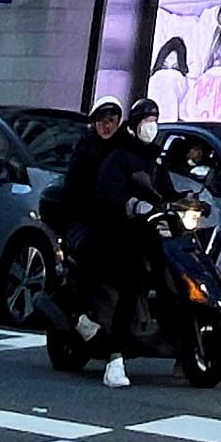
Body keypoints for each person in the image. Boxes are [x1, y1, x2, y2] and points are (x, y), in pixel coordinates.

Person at [49, 96, 166, 385]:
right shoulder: (87, 152)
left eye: (112, 119)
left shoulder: (130, 151)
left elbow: (156, 184)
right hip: (87, 223)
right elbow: (86, 194)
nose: (107, 125)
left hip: (119, 224)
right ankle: (91, 327)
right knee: (103, 260)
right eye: (102, 120)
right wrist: (122, 206)